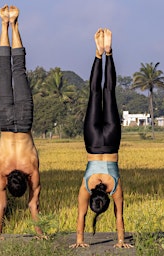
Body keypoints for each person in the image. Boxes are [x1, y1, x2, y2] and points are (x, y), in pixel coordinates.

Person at [69, 28, 133, 249]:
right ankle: (98, 54)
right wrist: (79, 240)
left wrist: (121, 241)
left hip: (112, 139)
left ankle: (108, 52)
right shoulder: (87, 187)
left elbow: (119, 218)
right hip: (93, 140)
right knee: (95, 93)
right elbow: (81, 216)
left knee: (108, 92)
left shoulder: (114, 188)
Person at [0, 5, 44, 240]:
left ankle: (13, 24)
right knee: (5, 71)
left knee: (19, 70)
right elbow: (1, 208)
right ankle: (5, 24)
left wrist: (39, 232)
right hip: (4, 121)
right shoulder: (1, 173)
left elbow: (34, 205)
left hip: (23, 121)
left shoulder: (31, 171)